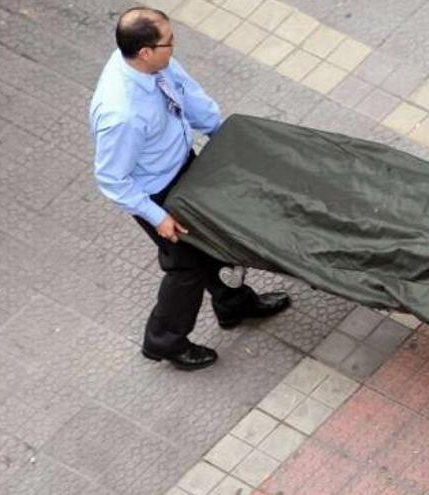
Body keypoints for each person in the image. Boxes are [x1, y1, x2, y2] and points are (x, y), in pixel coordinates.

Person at [89, 7, 289, 370]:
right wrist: (156, 215)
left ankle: (233, 304)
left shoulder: (155, 68)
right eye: (169, 42)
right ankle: (164, 342)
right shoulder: (121, 114)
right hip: (158, 194)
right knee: (186, 270)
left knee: (216, 240)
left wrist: (219, 133)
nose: (175, 46)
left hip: (184, 167)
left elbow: (187, 95)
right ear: (145, 51)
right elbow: (112, 178)